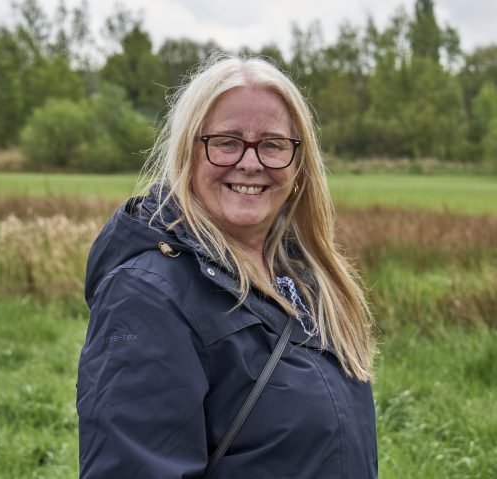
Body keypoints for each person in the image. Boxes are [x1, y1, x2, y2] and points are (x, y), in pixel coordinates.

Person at [76, 55, 377, 478]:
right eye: (226, 142)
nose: (250, 163)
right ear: (189, 153)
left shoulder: (305, 280)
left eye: (272, 144)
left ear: (298, 163)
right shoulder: (148, 295)